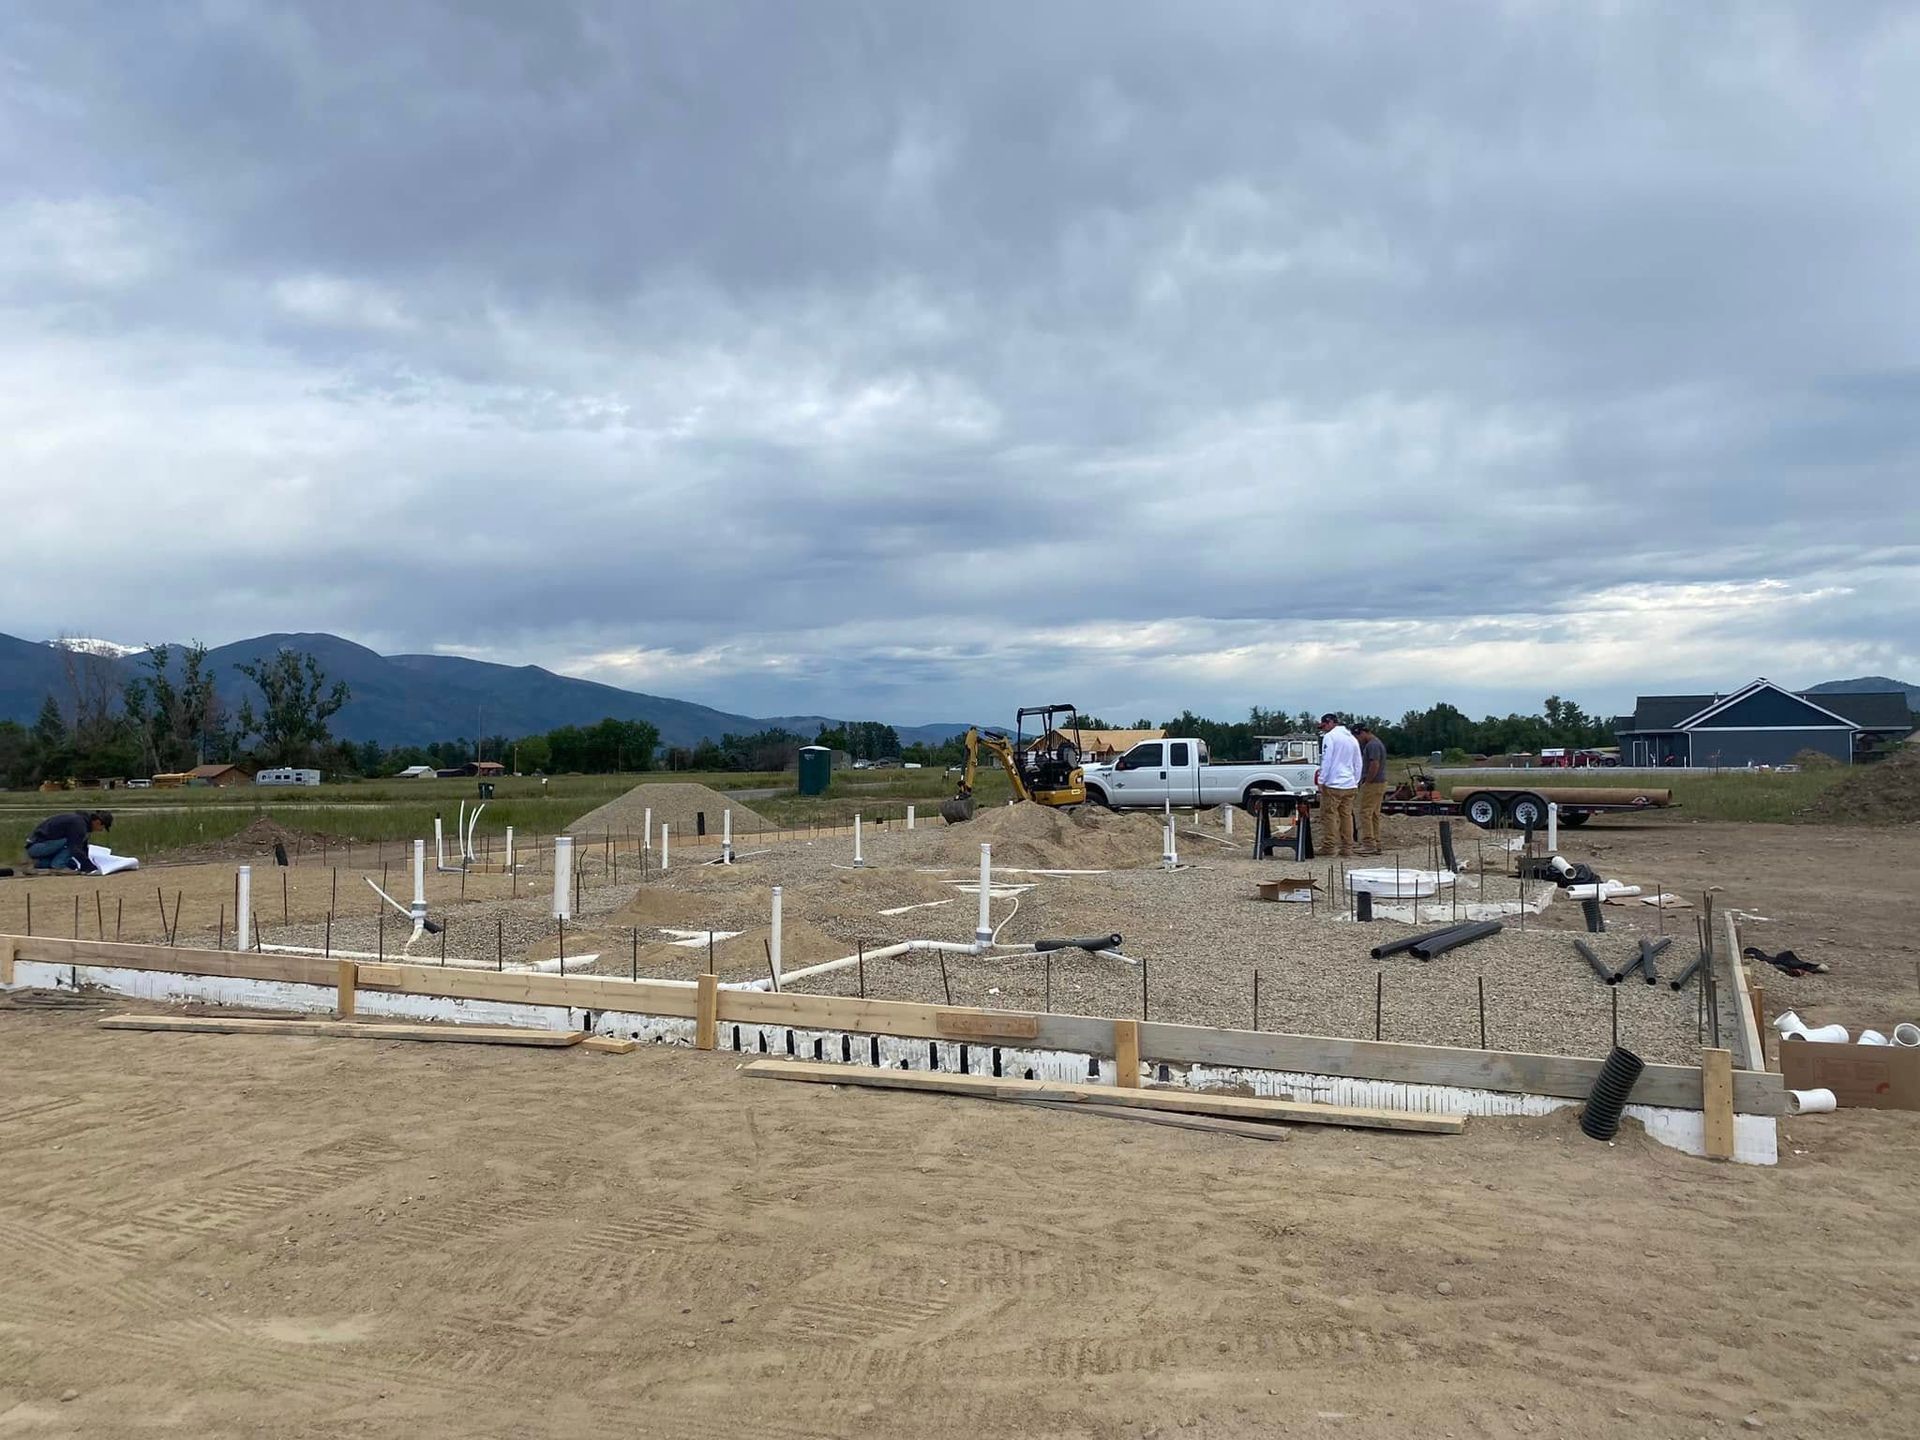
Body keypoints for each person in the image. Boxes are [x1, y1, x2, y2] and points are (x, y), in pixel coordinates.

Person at [1315, 714, 1362, 859]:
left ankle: (1329, 846)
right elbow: (1358, 762)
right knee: (1346, 816)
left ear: (1329, 723)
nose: (1323, 730)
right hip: (1349, 783)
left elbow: (1327, 760)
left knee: (1329, 815)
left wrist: (1321, 781)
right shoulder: (1351, 738)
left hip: (1333, 783)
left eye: (1323, 726)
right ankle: (1347, 847)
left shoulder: (1330, 737)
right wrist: (1355, 780)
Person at [25, 810, 112, 873]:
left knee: (71, 863)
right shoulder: (79, 824)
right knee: (71, 842)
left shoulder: (82, 823)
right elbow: (74, 848)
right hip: (36, 846)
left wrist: (85, 866)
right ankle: (59, 867)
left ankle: (37, 863)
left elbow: (83, 849)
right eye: (103, 827)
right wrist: (90, 868)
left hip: (41, 847)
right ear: (98, 822)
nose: (101, 830)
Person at [1355, 723, 1388, 856]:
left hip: (1374, 783)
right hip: (1380, 782)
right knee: (1374, 814)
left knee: (1365, 812)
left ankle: (1368, 843)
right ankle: (1376, 842)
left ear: (1362, 733)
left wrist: (1367, 780)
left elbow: (1374, 764)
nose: (1357, 740)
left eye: (1357, 736)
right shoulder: (1377, 743)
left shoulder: (1372, 745)